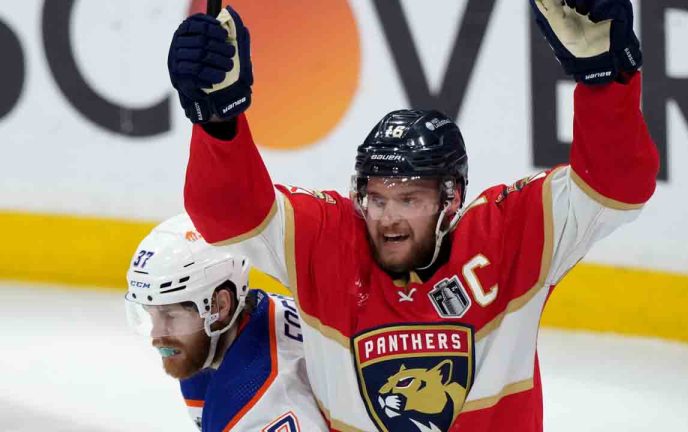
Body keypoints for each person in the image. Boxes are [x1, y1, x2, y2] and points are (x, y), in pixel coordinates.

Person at [168, 1, 659, 430]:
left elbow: (615, 188)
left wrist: (607, 82)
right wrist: (217, 122)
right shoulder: (328, 241)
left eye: (409, 200)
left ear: (451, 199)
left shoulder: (510, 236)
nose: (387, 218)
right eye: (377, 198)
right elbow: (228, 217)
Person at [124, 213, 327, 431]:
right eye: (150, 313)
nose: (157, 335)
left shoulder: (258, 404)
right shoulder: (248, 323)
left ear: (221, 305)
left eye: (171, 315)